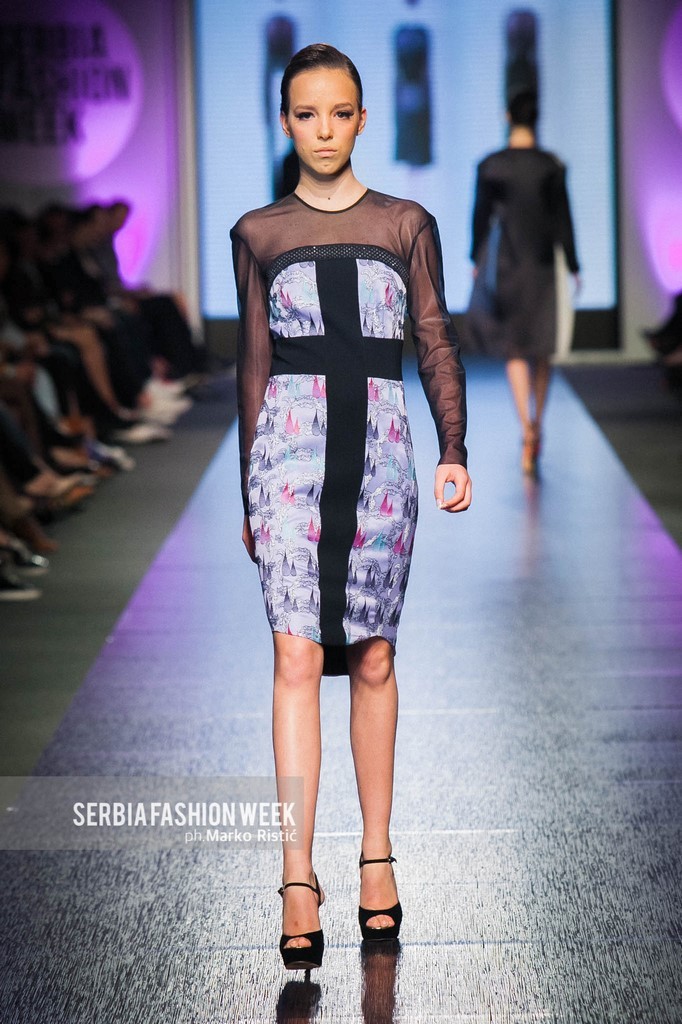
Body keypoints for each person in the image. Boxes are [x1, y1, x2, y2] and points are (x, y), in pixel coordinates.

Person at [230, 43, 471, 971]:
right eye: (307, 114)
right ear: (285, 121)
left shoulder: (406, 223)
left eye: (340, 113)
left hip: (380, 456)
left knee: (372, 654)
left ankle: (375, 855)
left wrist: (453, 447)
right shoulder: (259, 233)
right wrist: (249, 487)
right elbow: (253, 364)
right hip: (288, 456)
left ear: (362, 119)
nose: (324, 131)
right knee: (294, 654)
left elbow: (434, 339)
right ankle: (297, 874)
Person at [465, 90, 580, 476]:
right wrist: (574, 265)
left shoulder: (492, 166)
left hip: (507, 263)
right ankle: (538, 423)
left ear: (507, 116)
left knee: (514, 346)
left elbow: (480, 217)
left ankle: (526, 427)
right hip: (543, 264)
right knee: (542, 347)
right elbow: (563, 219)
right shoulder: (551, 166)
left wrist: (474, 258)